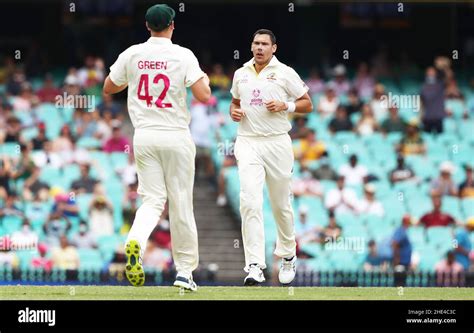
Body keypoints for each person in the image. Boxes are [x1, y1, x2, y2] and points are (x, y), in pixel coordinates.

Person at [103, 4, 211, 290]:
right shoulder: (183, 55)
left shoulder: (133, 53)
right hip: (175, 133)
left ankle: (135, 240)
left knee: (152, 200)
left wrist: (135, 77)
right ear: (172, 25)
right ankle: (185, 272)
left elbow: (109, 87)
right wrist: (205, 79)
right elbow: (204, 95)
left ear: (147, 26)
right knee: (180, 203)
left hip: (144, 135)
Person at [229, 29, 312, 285]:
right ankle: (254, 265)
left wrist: (285, 106)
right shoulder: (240, 73)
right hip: (248, 142)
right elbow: (234, 102)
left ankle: (288, 255)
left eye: (265, 44)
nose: (259, 48)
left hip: (277, 142)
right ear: (251, 46)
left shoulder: (284, 72)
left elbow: (307, 103)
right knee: (250, 201)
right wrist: (234, 112)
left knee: (280, 204)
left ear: (274, 48)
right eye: (256, 43)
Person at [420, 56, 451, 134]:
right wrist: (420, 115)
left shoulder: (440, 84)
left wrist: (445, 67)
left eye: (432, 72)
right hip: (427, 117)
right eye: (428, 72)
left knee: (441, 138)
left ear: (435, 74)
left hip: (438, 117)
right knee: (427, 138)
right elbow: (422, 103)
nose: (430, 74)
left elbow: (449, 77)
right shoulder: (423, 87)